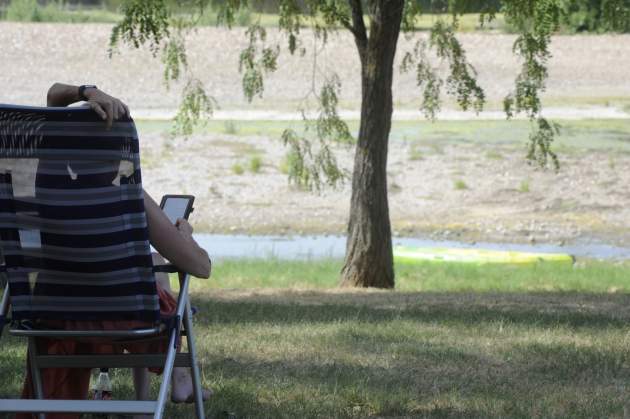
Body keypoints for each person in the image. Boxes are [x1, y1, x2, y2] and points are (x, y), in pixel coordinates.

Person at [17, 83, 211, 419]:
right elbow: (200, 266)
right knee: (156, 270)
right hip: (123, 317)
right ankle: (177, 381)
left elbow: (52, 97)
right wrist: (186, 236)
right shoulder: (128, 196)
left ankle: (167, 387)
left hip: (54, 316)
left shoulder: (43, 185)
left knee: (146, 267)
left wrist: (87, 91)